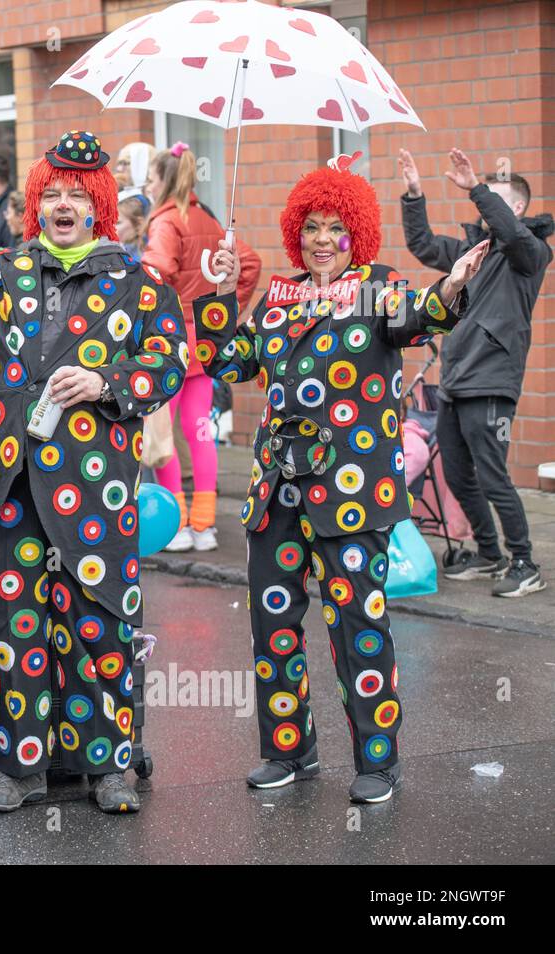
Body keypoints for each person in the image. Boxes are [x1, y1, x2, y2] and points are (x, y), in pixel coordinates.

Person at [0, 103, 188, 813]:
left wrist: (108, 382)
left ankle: (107, 765)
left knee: (98, 623)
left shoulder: (138, 284)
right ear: (35, 205)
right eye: (53, 194)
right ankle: (20, 767)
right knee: (9, 626)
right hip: (3, 485)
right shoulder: (3, 274)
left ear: (99, 206)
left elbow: (170, 364)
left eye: (79, 195)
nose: (64, 205)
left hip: (93, 487)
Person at [195, 157, 488, 803]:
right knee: (273, 629)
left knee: (360, 628)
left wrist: (452, 287)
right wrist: (219, 295)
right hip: (278, 492)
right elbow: (226, 361)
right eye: (312, 228)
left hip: (353, 497)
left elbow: (421, 317)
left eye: (335, 228)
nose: (322, 240)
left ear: (357, 234)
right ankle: (288, 752)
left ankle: (378, 763)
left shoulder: (376, 289)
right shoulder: (278, 296)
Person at [400, 148, 553, 597]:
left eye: (494, 199)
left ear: (517, 207)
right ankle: (489, 553)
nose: (484, 206)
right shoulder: (473, 251)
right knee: (457, 475)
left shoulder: (531, 252)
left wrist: (476, 189)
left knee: (493, 476)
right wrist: (414, 194)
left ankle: (524, 562)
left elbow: (507, 228)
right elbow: (424, 245)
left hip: (492, 384)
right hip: (455, 382)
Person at [143, 142, 262, 552]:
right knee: (200, 433)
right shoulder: (209, 220)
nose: (145, 184)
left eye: (150, 178)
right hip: (205, 344)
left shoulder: (163, 223)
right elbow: (250, 262)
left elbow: (155, 272)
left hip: (170, 343)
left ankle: (172, 526)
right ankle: (204, 526)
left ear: (164, 181)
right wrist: (227, 313)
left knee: (162, 435)